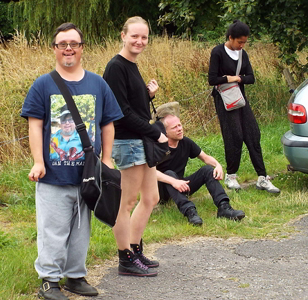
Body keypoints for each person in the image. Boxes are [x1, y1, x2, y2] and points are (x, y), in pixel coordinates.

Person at [21, 23, 123, 300]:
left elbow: (108, 125)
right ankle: (49, 281)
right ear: (54, 49)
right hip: (53, 175)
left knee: (81, 231)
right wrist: (38, 162)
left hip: (88, 175)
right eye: (62, 44)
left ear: (82, 48)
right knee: (52, 231)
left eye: (74, 44)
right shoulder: (42, 85)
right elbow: (34, 126)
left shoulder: (97, 84)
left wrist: (108, 160)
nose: (68, 48)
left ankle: (75, 277)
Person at [102, 16, 167, 277]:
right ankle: (125, 258)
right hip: (128, 141)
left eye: (144, 37)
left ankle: (135, 249)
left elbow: (132, 102)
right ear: (123, 35)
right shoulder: (116, 67)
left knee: (151, 198)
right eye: (135, 36)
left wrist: (148, 94)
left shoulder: (132, 64)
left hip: (141, 140)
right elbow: (121, 113)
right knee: (126, 203)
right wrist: (156, 133)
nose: (140, 41)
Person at [208, 20, 280, 193]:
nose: (242, 45)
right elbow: (212, 79)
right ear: (230, 38)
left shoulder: (243, 54)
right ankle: (231, 175)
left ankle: (262, 177)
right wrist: (230, 78)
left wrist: (238, 78)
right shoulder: (217, 52)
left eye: (244, 42)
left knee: (253, 133)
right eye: (239, 42)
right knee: (235, 136)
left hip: (240, 98)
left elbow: (251, 78)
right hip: (225, 99)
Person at [157, 114, 245, 225]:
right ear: (165, 132)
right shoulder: (158, 147)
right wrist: (173, 181)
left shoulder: (186, 142)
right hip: (161, 191)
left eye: (180, 125)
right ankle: (190, 212)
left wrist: (217, 165)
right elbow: (150, 173)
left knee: (207, 170)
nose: (179, 129)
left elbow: (205, 157)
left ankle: (224, 207)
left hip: (181, 186)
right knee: (169, 173)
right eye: (174, 127)